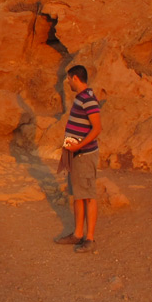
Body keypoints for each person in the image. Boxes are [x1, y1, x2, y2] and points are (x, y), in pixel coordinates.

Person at [55, 65, 102, 252]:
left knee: (88, 196)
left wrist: (79, 146)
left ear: (75, 78)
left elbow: (97, 128)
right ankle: (77, 234)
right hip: (75, 154)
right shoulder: (81, 98)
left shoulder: (89, 100)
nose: (67, 82)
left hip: (84, 155)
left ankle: (89, 238)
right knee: (78, 195)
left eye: (68, 79)